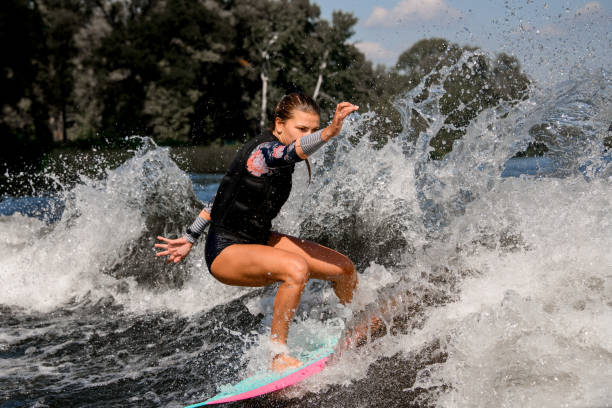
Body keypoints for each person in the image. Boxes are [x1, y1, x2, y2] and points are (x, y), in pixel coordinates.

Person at [155, 93, 359, 372]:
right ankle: (278, 355)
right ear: (279, 124)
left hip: (258, 239)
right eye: (301, 129)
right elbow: (290, 152)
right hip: (226, 250)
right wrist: (329, 132)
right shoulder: (264, 151)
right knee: (296, 269)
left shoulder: (275, 154)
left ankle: (358, 322)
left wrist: (190, 236)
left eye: (312, 130)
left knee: (343, 269)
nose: (306, 136)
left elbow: (221, 196)